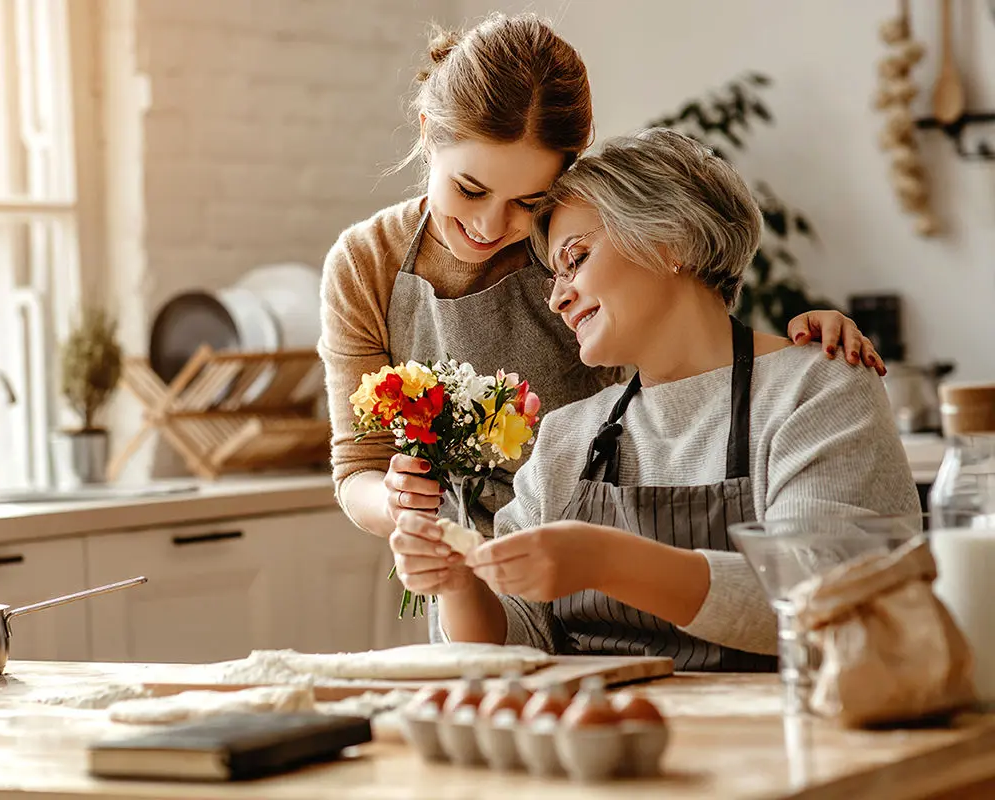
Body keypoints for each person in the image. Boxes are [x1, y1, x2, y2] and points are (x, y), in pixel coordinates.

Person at [318, 12, 884, 636]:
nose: (488, 226)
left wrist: (795, 349)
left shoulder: (810, 392)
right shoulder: (562, 438)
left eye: (529, 205)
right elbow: (361, 465)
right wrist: (426, 535)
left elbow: (690, 349)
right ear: (429, 135)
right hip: (496, 602)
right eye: (470, 189)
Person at [388, 128, 921, 668]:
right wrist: (458, 584)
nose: (556, 297)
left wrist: (606, 559)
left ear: (671, 240)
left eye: (576, 258)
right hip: (609, 740)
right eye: (554, 274)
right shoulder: (567, 436)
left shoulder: (816, 388)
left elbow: (826, 596)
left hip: (781, 737)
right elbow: (516, 639)